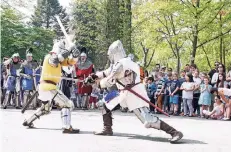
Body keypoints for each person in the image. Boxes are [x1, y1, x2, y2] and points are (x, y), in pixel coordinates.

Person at [90, 40, 183, 143]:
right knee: (105, 104)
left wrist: (98, 83)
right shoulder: (123, 62)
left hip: (134, 93)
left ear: (115, 54)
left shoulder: (122, 64)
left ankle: (174, 132)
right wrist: (93, 76)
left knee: (148, 120)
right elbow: (106, 72)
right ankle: (107, 128)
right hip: (122, 92)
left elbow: (109, 80)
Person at [22, 40, 80, 134]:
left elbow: (70, 62)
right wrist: (69, 49)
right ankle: (66, 127)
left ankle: (28, 120)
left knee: (45, 109)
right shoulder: (49, 57)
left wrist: (75, 55)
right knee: (67, 104)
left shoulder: (58, 60)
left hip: (45, 88)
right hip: (49, 87)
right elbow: (55, 61)